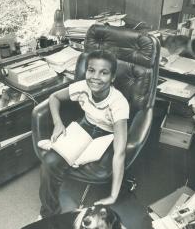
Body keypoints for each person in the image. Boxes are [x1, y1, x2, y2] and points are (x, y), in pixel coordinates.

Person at [38, 49, 129, 217]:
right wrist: (58, 123)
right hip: (85, 126)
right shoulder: (82, 87)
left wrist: (113, 195)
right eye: (91, 70)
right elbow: (54, 97)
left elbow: (120, 152)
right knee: (49, 162)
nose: (95, 77)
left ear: (113, 77)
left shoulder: (119, 103)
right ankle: (48, 214)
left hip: (107, 135)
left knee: (78, 159)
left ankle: (58, 146)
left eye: (104, 73)